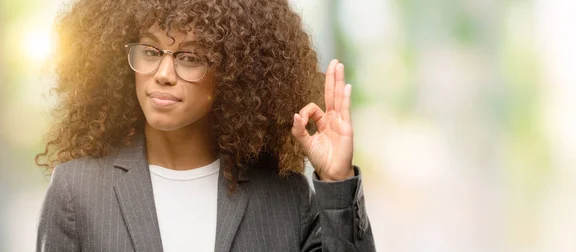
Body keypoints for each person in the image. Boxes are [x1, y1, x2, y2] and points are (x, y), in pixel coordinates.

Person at [35, 0, 375, 251]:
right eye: (151, 51)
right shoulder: (77, 190)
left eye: (190, 57)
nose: (163, 75)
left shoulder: (285, 197)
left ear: (234, 74)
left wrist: (337, 181)